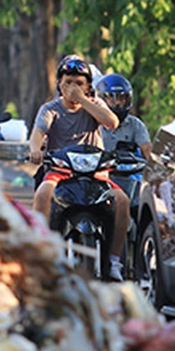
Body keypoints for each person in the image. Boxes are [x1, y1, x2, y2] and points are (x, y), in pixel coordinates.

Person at [28, 55, 128, 281]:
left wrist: (83, 100)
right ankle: (43, 253)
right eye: (68, 82)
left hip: (96, 172)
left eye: (79, 83)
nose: (73, 88)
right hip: (62, 171)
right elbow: (37, 135)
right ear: (59, 84)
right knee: (43, 194)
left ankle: (114, 261)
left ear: (88, 86)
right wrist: (35, 149)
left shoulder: (94, 104)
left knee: (122, 200)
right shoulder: (49, 109)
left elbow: (112, 122)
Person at [98, 73, 152, 159]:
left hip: (130, 170)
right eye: (112, 98)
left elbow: (148, 154)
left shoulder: (135, 125)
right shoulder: (92, 125)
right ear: (101, 99)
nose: (118, 102)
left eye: (121, 98)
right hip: (102, 171)